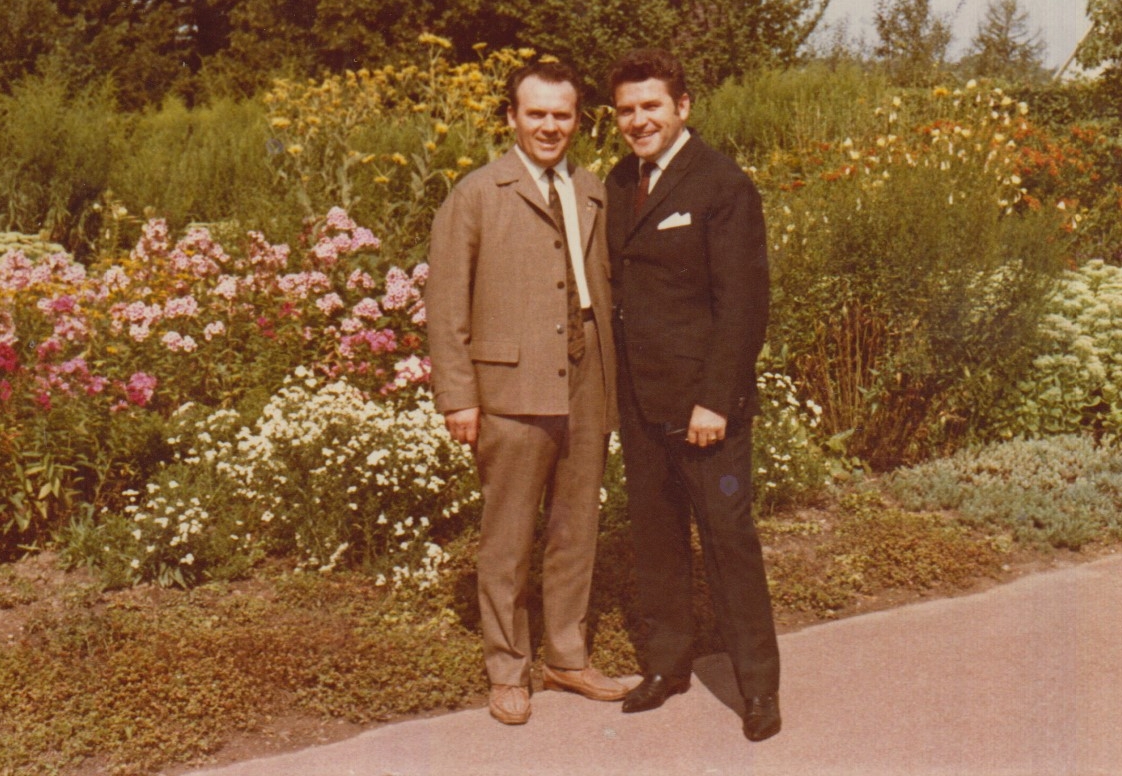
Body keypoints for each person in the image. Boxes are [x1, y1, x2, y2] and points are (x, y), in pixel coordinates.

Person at [425, 60, 626, 726]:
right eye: (535, 113)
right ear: (511, 117)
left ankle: (566, 656)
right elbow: (445, 304)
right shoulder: (477, 194)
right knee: (508, 537)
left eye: (561, 115)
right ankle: (508, 670)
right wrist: (459, 396)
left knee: (576, 528)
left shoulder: (592, 189)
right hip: (510, 388)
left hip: (587, 380)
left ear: (578, 121)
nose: (548, 126)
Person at [604, 48, 782, 742]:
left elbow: (744, 304)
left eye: (651, 105)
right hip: (641, 401)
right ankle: (667, 665)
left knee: (728, 542)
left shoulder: (722, 184)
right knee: (656, 539)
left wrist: (714, 400)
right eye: (626, 110)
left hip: (706, 410)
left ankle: (758, 689)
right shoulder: (622, 180)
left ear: (683, 107)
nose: (639, 120)